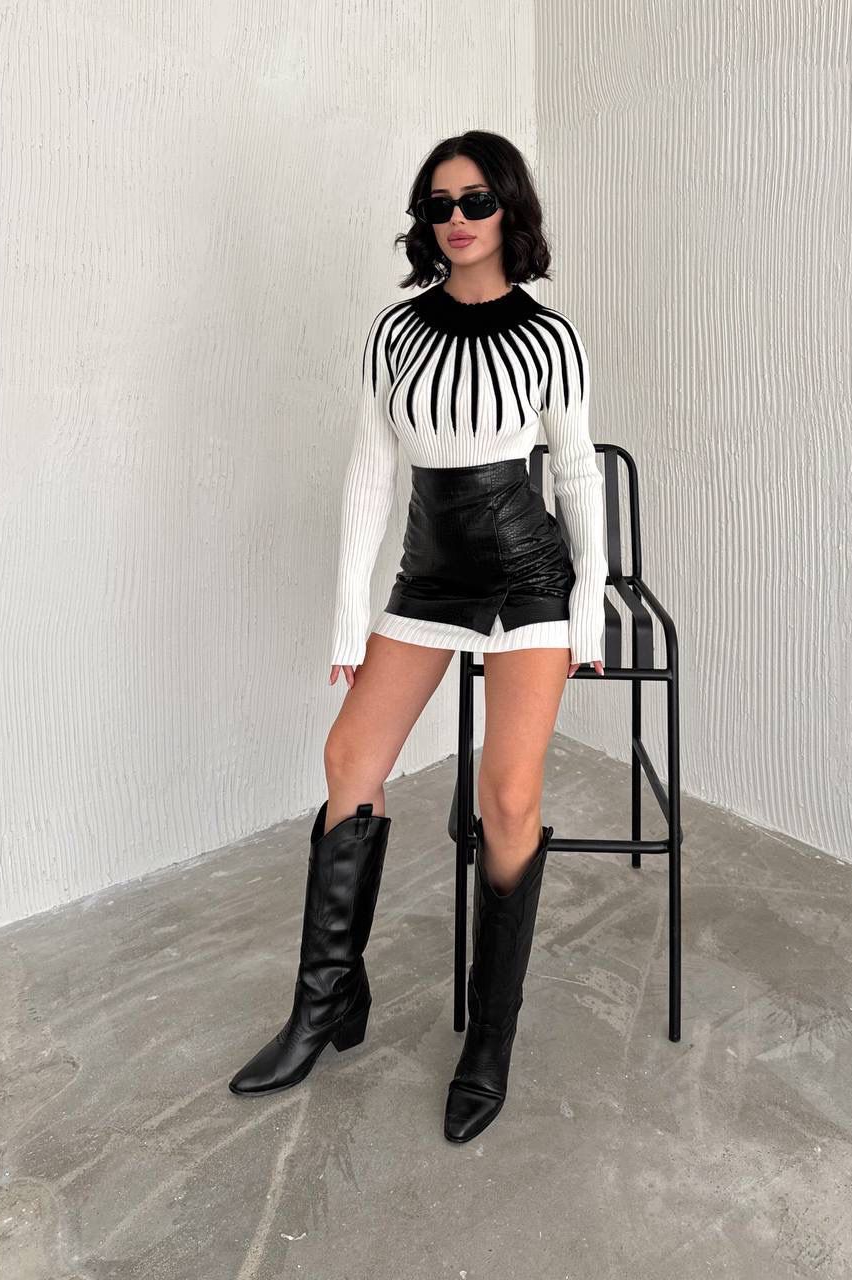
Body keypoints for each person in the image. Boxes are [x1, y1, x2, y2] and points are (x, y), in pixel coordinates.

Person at [228, 130, 608, 1144]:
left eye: (476, 200)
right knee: (349, 758)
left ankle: (490, 1038)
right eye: (439, 204)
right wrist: (349, 615)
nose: (457, 218)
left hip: (528, 579)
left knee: (508, 795)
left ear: (508, 208)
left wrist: (590, 599)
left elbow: (575, 472)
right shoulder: (394, 332)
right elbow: (369, 472)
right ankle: (325, 1005)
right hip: (430, 576)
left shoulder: (552, 337)